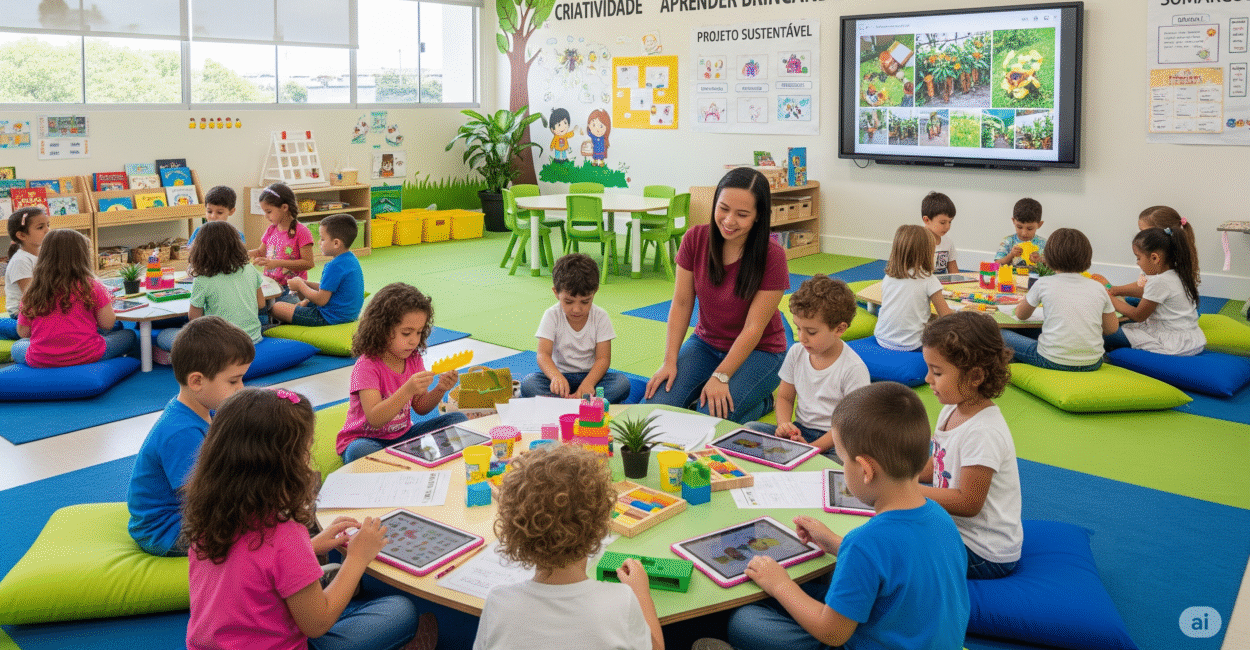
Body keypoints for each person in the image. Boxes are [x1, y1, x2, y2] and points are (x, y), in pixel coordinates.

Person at [721, 382, 969, 650]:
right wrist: (832, 542)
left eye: (841, 458)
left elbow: (832, 633)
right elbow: (895, 565)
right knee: (792, 594)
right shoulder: (941, 518)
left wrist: (779, 584)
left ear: (865, 469)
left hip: (853, 638)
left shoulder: (865, 542)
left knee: (744, 620)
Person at [182, 388, 435, 650]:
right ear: (281, 466)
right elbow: (317, 623)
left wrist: (310, 547)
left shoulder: (208, 517)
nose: (308, 459)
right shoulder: (284, 535)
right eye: (305, 450)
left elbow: (250, 569)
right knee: (401, 611)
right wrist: (357, 557)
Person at [473, 444, 663, 650]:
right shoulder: (621, 602)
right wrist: (641, 594)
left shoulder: (498, 605)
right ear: (599, 525)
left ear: (514, 531)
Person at [643, 167, 790, 424]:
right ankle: (723, 393)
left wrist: (721, 376)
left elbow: (754, 327)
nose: (729, 220)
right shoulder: (694, 239)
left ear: (758, 216)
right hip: (706, 344)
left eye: (742, 214)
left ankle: (763, 401)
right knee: (654, 409)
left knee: (709, 417)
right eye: (723, 208)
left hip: (762, 351)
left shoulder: (773, 255)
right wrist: (669, 361)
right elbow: (681, 303)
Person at [127, 316, 254, 556]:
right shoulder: (182, 432)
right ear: (196, 381)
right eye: (233, 381)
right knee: (259, 531)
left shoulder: (204, 409)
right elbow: (204, 499)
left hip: (186, 513)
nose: (241, 388)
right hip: (167, 529)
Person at [919, 311, 1022, 579]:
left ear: (975, 376)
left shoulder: (983, 431)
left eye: (937, 372)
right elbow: (938, 464)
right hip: (955, 529)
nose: (928, 379)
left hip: (985, 551)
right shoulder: (951, 409)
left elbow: (968, 502)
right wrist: (896, 473)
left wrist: (906, 491)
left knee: (901, 552)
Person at [337, 282, 468, 463]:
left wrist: (440, 389)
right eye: (406, 333)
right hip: (367, 439)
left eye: (419, 332)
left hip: (403, 437)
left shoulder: (414, 359)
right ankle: (406, 460)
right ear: (381, 328)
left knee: (458, 420)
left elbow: (421, 407)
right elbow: (375, 418)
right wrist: (407, 390)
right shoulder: (366, 366)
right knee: (359, 451)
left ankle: (399, 461)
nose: (414, 341)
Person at [744, 275, 869, 455]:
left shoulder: (854, 369)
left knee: (845, 467)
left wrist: (812, 449)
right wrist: (784, 425)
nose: (802, 337)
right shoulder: (796, 352)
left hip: (836, 441)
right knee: (748, 431)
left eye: (811, 331)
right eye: (798, 328)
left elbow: (848, 426)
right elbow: (785, 398)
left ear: (839, 329)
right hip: (800, 432)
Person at [11, 229, 137, 367]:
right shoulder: (92, 285)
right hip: (88, 354)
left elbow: (23, 333)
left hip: (42, 359)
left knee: (18, 346)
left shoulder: (33, 290)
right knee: (129, 335)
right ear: (82, 256)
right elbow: (107, 324)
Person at [1001, 228, 1118, 371]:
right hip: (1093, 362)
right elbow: (1112, 328)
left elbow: (1020, 315)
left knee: (1002, 333)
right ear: (1087, 258)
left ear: (1048, 258)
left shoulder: (1043, 283)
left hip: (1050, 360)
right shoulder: (1098, 287)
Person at [520, 253, 630, 404]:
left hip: (592, 377)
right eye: (569, 301)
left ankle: (563, 404)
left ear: (595, 292)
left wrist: (589, 383)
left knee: (621, 383)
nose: (577, 309)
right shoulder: (552, 315)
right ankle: (582, 403)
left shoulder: (600, 316)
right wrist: (555, 377)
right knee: (529, 383)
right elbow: (543, 354)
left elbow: (603, 359)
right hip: (561, 377)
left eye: (585, 302)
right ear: (556, 293)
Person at [156, 221, 265, 351]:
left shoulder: (203, 278)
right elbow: (261, 304)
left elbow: (194, 318)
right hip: (253, 339)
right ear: (237, 245)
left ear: (201, 250)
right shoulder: (249, 268)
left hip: (218, 346)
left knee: (162, 336)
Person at [1105, 227, 1205, 356]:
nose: (1137, 263)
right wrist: (1115, 291)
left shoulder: (1159, 281)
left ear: (1154, 258)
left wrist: (1108, 298)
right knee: (1125, 319)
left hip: (1174, 344)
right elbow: (1146, 293)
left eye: (1138, 258)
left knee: (1103, 333)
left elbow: (1138, 316)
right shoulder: (1177, 273)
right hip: (1191, 338)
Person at [271, 214, 364, 327]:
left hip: (329, 318)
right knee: (304, 302)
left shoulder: (334, 266)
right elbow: (329, 288)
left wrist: (301, 285)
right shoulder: (350, 259)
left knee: (277, 308)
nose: (319, 242)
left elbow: (321, 300)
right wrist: (307, 283)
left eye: (322, 239)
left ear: (336, 243)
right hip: (346, 314)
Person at [874, 224, 953, 352]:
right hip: (913, 345)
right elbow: (946, 316)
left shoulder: (889, 276)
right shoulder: (928, 279)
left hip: (882, 338)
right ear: (927, 253)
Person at [1108, 205, 1200, 299]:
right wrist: (1115, 290)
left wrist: (1114, 290)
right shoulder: (1158, 256)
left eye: (1144, 231)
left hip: (1155, 302)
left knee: (1116, 304)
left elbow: (1148, 291)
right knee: (1122, 300)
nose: (1141, 235)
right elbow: (1143, 285)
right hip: (1152, 299)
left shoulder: (1165, 265)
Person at [249, 182, 314, 295]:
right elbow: (260, 252)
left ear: (284, 207)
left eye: (269, 211)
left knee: (276, 308)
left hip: (292, 289)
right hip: (271, 285)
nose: (266, 216)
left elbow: (308, 263)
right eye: (264, 212)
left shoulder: (302, 232)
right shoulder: (271, 230)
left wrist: (277, 263)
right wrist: (245, 254)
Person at [1, 207, 50, 340]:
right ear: (22, 235)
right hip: (23, 312)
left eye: (48, 225)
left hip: (43, 306)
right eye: (40, 227)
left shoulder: (44, 254)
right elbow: (31, 296)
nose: (47, 230)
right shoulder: (21, 260)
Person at [186, 185, 243, 252]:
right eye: (209, 211)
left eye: (219, 212)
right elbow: (189, 254)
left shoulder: (236, 235)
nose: (213, 216)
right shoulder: (198, 232)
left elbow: (241, 257)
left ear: (231, 211)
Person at [995, 197, 1046, 269]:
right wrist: (1011, 255)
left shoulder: (1043, 243)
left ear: (1039, 225)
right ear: (1013, 221)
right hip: (1010, 279)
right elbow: (997, 264)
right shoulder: (1007, 241)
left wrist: (1040, 260)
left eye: (1029, 228)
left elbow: (1053, 268)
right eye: (1019, 227)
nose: (1024, 233)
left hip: (1035, 279)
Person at [921, 191, 959, 273]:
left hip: (942, 285)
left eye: (950, 222)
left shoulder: (948, 242)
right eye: (942, 222)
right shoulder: (916, 242)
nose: (947, 227)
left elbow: (953, 268)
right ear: (927, 220)